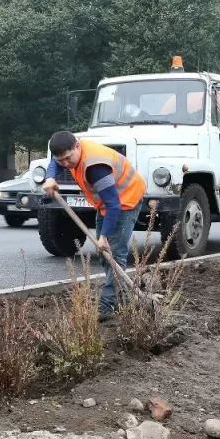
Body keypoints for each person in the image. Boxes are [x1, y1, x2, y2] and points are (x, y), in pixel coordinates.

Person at [40, 131, 147, 319]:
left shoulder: (96, 167)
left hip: (125, 200)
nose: (65, 164)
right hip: (106, 202)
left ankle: (106, 307)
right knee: (105, 255)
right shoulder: (69, 153)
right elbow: (55, 163)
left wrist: (104, 236)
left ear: (77, 146)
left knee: (114, 253)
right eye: (61, 161)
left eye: (68, 158)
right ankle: (124, 297)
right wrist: (50, 177)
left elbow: (114, 205)